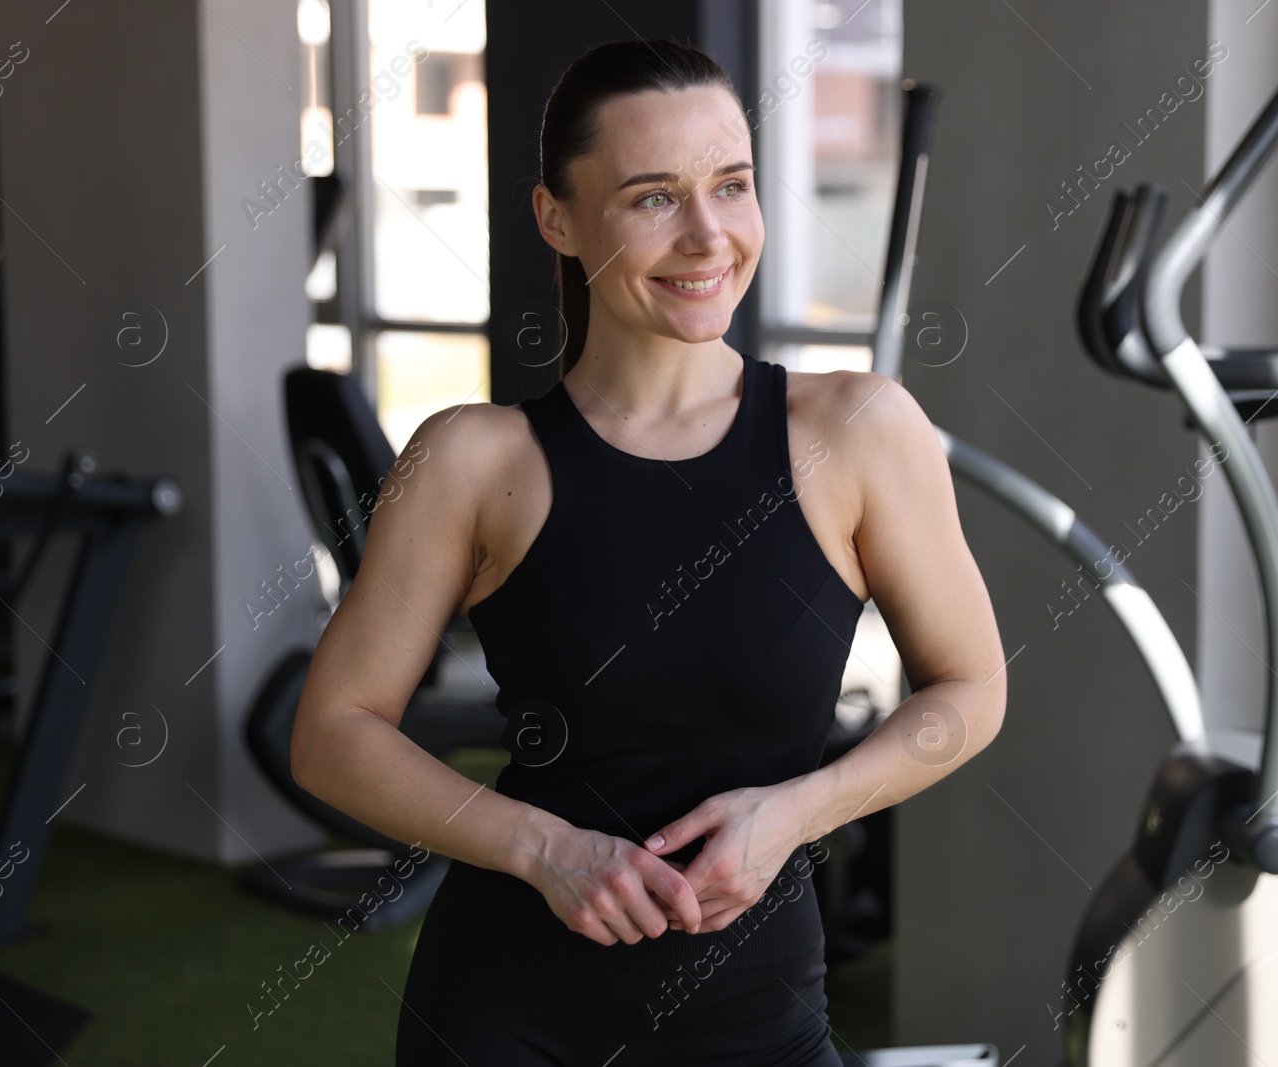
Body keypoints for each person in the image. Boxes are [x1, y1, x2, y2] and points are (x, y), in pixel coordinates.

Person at [290, 36, 1007, 1067]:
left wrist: (797, 810)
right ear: (558, 218)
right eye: (652, 198)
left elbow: (970, 688)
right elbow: (333, 732)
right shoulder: (472, 458)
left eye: (731, 184)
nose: (708, 235)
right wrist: (545, 848)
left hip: (760, 1009)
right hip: (513, 1009)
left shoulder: (857, 430)